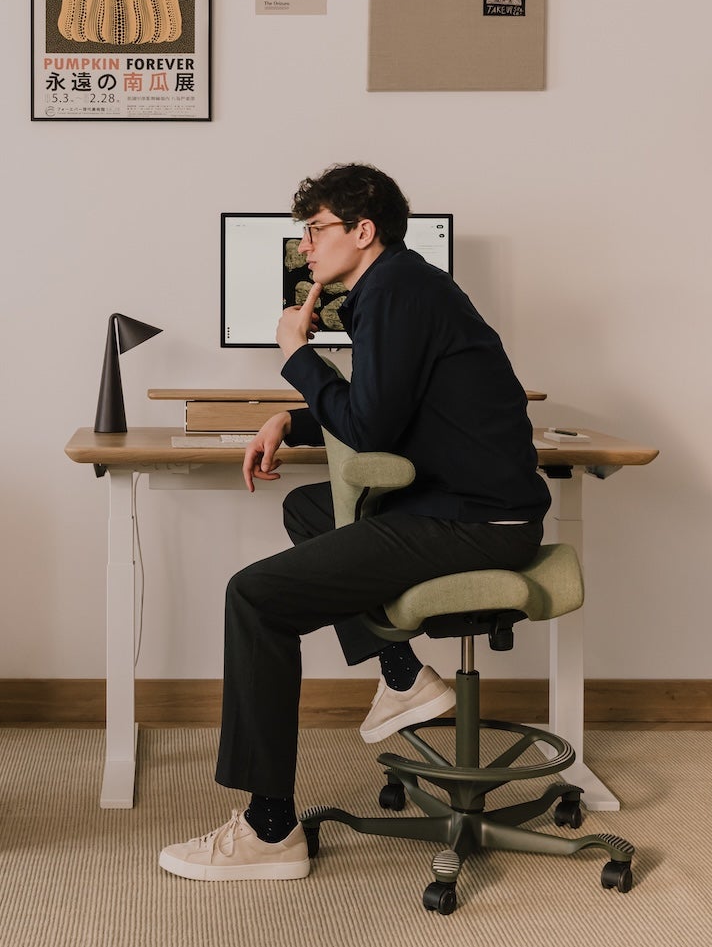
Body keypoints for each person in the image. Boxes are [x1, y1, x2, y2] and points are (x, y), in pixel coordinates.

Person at [157, 163, 551, 882]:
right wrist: (292, 417)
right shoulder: (400, 286)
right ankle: (402, 675)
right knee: (310, 505)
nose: (305, 246)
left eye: (316, 229)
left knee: (255, 597)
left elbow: (371, 430)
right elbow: (388, 412)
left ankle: (270, 827)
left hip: (477, 524)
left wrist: (295, 355)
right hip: (470, 507)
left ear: (362, 231)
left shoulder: (397, 291)